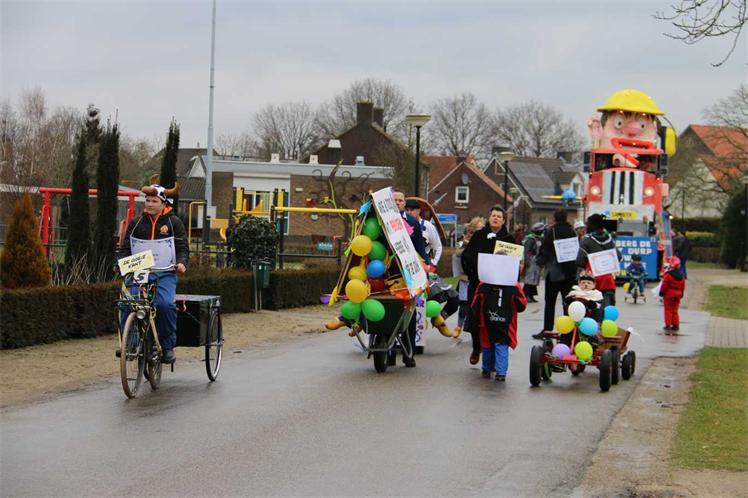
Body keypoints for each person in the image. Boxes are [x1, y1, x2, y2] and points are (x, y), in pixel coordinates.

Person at [119, 177, 188, 364]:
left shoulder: (174, 223)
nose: (149, 204)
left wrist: (182, 263)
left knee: (164, 305)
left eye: (154, 201)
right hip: (139, 271)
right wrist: (120, 263)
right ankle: (130, 344)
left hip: (164, 272)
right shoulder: (136, 222)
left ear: (163, 203)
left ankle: (167, 346)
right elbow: (126, 248)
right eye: (147, 200)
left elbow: (182, 248)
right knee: (126, 303)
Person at [461, 205, 515, 365]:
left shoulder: (509, 239)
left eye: (499, 216)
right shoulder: (479, 235)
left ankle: (492, 353)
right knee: (475, 317)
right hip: (479, 284)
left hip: (500, 287)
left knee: (495, 319)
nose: (495, 218)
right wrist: (472, 272)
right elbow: (467, 256)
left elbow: (514, 263)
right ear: (489, 218)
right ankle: (476, 347)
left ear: (503, 220)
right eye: (493, 216)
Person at [392, 189, 430, 367]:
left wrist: (426, 265)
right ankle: (388, 351)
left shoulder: (412, 221)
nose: (398, 202)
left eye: (400, 200)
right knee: (388, 312)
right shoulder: (379, 221)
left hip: (408, 274)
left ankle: (409, 352)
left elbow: (419, 247)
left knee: (409, 313)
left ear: (404, 204)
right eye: (395, 200)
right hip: (387, 272)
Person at [534, 208, 577, 339]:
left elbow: (545, 249)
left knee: (550, 303)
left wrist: (539, 261)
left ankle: (547, 330)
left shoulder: (551, 231)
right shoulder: (571, 231)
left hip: (554, 273)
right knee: (567, 303)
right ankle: (568, 331)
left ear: (555, 218)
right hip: (569, 272)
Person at [471, 281, 527, 381]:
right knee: (502, 344)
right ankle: (501, 373)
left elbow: (475, 304)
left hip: (486, 320)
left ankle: (486, 369)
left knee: (487, 344)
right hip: (506, 322)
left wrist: (477, 318)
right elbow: (522, 305)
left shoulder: (483, 284)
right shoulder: (513, 284)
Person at [577, 213, 620, 310]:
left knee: (592, 311)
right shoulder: (609, 239)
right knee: (607, 311)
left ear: (591, 225)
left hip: (590, 281)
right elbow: (618, 257)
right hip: (607, 281)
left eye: (587, 224)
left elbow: (580, 261)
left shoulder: (586, 240)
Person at [452, 216, 484, 337]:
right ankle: (459, 326)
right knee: (464, 303)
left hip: (480, 278)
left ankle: (477, 327)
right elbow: (456, 255)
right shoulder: (464, 242)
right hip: (466, 278)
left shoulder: (485, 241)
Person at [405, 198, 443, 266]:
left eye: (412, 210)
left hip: (424, 263)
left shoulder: (428, 226)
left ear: (419, 210)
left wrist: (433, 263)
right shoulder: (402, 224)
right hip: (406, 262)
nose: (409, 212)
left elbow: (437, 246)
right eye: (407, 210)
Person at [660, 256, 686, 334]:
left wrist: (662, 292)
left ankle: (668, 325)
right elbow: (683, 286)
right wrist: (681, 294)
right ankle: (676, 325)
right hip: (678, 295)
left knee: (668, 310)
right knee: (675, 310)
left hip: (669, 295)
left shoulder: (668, 275)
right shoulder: (682, 275)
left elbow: (664, 285)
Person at [521, 222, 544, 302]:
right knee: (529, 278)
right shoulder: (531, 239)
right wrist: (527, 261)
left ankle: (531, 295)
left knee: (534, 278)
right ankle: (526, 295)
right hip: (531, 260)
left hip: (536, 260)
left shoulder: (538, 238)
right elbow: (526, 250)